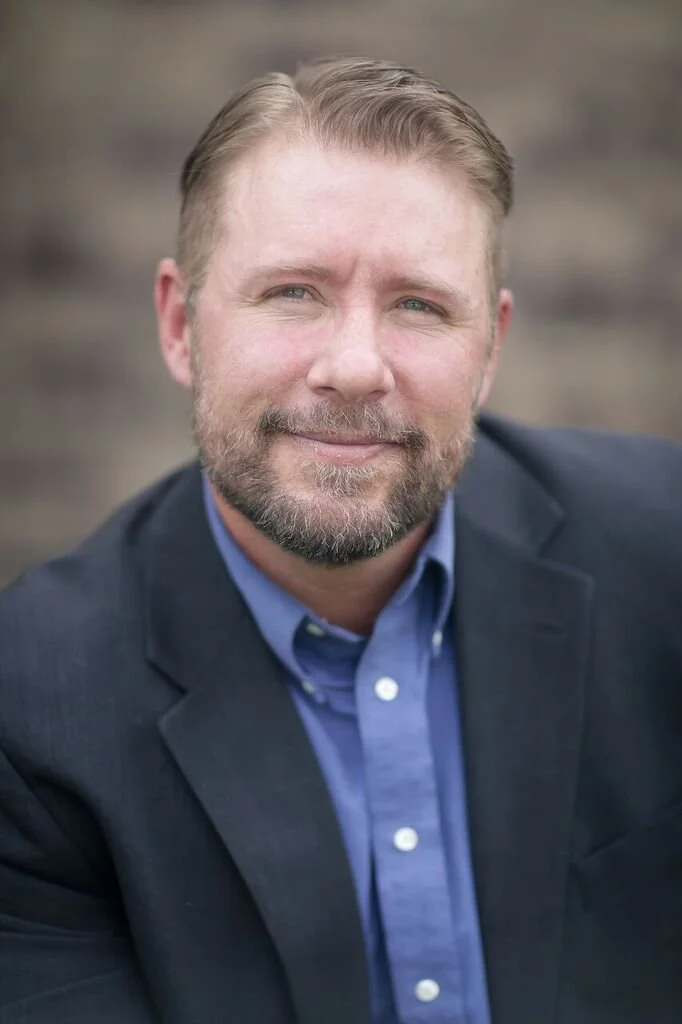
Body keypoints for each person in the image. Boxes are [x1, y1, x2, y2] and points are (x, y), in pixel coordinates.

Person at [0, 55, 681, 1024]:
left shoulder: (665, 557)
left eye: (418, 304)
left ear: (488, 349)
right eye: (293, 291)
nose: (356, 367)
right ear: (181, 324)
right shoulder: (28, 709)